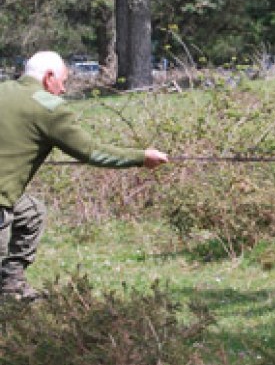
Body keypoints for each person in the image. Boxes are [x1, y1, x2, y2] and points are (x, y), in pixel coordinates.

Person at [0, 51, 169, 301]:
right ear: (48, 78)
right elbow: (92, 152)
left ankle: (11, 285)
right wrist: (141, 157)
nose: (63, 90)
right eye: (63, 82)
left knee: (32, 213)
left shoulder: (4, 89)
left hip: (7, 192)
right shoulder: (49, 108)